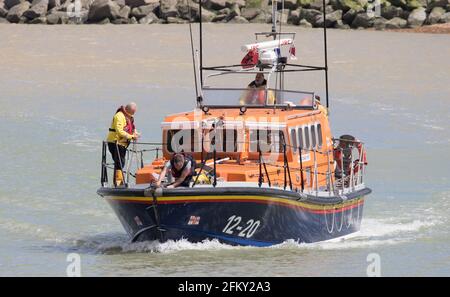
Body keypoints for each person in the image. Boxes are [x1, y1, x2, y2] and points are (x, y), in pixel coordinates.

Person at [106, 102, 140, 186]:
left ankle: (119, 181)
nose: (133, 114)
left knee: (121, 162)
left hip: (123, 144)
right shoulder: (119, 116)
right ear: (128, 110)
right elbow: (119, 131)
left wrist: (135, 133)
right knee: (119, 162)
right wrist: (131, 137)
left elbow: (132, 127)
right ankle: (118, 182)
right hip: (115, 142)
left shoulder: (129, 117)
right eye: (132, 112)